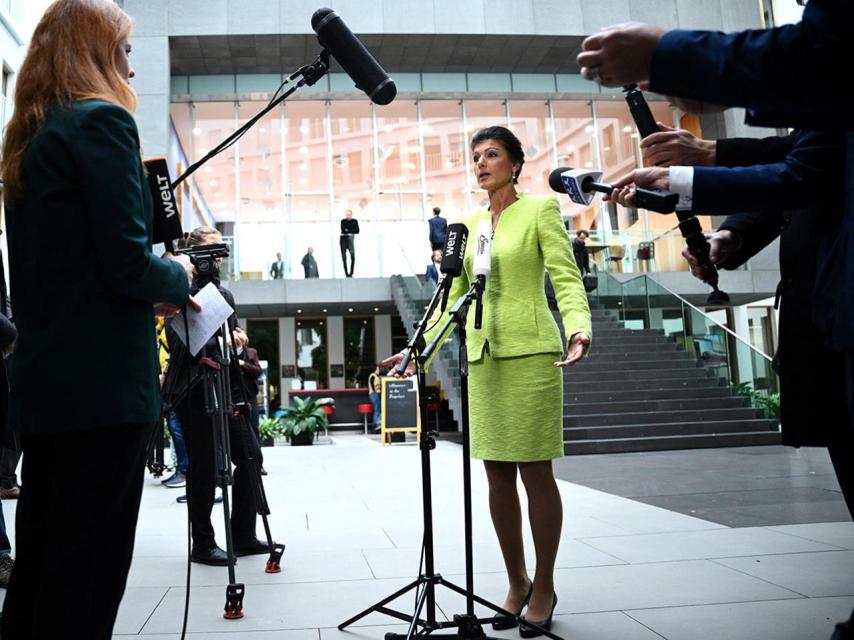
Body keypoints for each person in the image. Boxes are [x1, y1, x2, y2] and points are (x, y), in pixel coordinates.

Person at [0, 1, 196, 636]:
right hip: (106, 389)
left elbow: (73, 266)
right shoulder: (103, 123)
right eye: (123, 48)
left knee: (41, 568)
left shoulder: (33, 137)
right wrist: (182, 276)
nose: (131, 64)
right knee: (88, 576)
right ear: (94, 51)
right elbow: (130, 264)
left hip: (48, 386)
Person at [384, 126, 591, 637]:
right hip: (483, 357)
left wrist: (578, 327)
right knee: (496, 475)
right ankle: (516, 581)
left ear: (516, 164)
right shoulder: (467, 224)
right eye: (475, 156)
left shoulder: (540, 211)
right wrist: (418, 349)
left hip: (531, 352)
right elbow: (449, 297)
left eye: (492, 154)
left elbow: (564, 276)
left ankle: (544, 584)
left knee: (535, 473)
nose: (480, 163)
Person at [165, 226, 272, 566]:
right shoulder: (177, 289)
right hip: (195, 389)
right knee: (204, 467)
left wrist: (236, 336)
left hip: (228, 385)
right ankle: (203, 543)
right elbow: (180, 340)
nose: (216, 258)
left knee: (251, 457)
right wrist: (219, 343)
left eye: (219, 251)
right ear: (192, 255)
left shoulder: (223, 294)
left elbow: (231, 333)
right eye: (209, 252)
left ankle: (242, 535)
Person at [340, 209, 359, 277]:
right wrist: (351, 230)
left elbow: (357, 230)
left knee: (352, 256)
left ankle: (351, 272)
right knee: (344, 257)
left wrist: (348, 230)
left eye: (349, 214)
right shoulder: (343, 221)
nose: (348, 216)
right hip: (343, 239)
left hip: (350, 239)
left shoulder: (354, 221)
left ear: (351, 215)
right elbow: (343, 230)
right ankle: (346, 273)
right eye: (347, 215)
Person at [367, 364, 382, 431]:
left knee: (378, 409)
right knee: (377, 409)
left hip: (377, 394)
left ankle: (377, 423)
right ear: (375, 369)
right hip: (374, 394)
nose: (379, 370)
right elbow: (373, 386)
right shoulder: (372, 376)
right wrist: (377, 391)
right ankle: (376, 424)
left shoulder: (377, 376)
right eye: (378, 369)